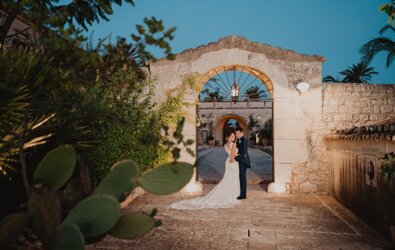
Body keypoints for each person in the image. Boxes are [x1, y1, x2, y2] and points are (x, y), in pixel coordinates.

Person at [170, 131, 241, 209]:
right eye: (232, 136)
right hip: (233, 162)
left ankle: (230, 193)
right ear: (228, 137)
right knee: (232, 178)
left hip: (228, 162)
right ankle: (232, 194)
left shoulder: (225, 144)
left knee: (228, 178)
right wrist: (240, 154)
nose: (234, 137)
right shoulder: (233, 144)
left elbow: (230, 154)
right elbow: (233, 155)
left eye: (234, 136)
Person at [232, 127, 251, 199]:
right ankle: (242, 193)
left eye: (238, 133)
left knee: (242, 177)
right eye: (236, 133)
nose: (236, 135)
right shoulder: (239, 140)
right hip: (240, 160)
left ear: (242, 132)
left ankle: (243, 194)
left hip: (243, 161)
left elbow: (244, 153)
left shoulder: (244, 140)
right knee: (241, 177)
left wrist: (235, 159)